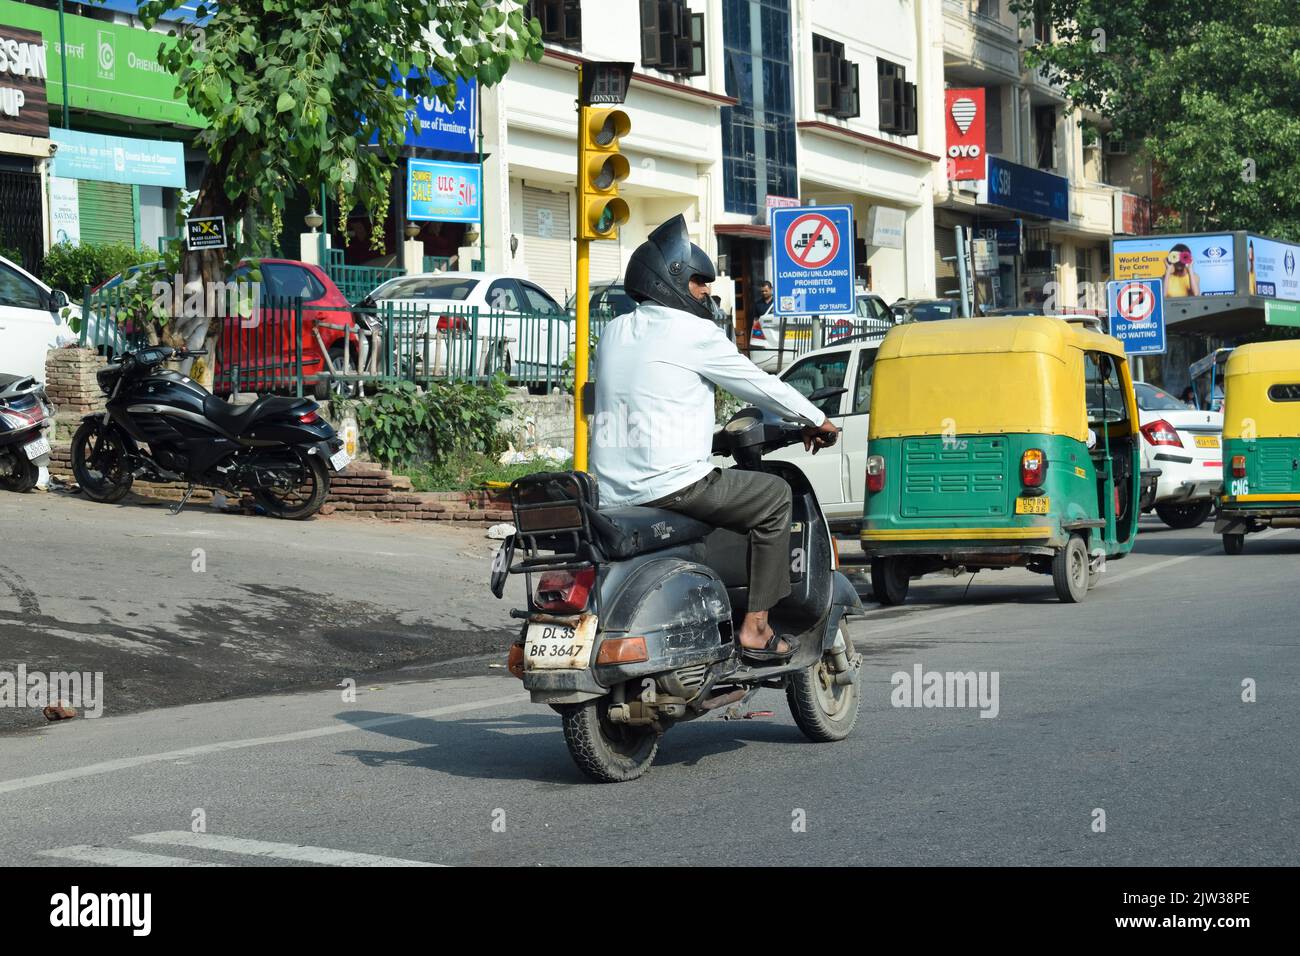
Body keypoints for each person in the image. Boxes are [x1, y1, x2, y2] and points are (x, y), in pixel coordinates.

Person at [589, 216, 840, 662]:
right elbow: (756, 384)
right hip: (672, 487)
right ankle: (758, 627)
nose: (706, 292)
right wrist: (816, 418)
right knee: (776, 497)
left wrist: (713, 438)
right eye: (699, 282)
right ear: (672, 280)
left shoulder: (613, 331)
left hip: (611, 491)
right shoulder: (694, 333)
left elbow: (654, 400)